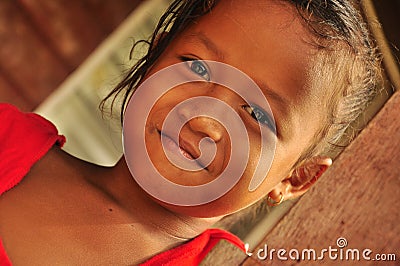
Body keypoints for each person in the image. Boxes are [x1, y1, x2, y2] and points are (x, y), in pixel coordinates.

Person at [0, 0, 382, 265]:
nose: (204, 119)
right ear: (157, 54)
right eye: (197, 68)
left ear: (296, 178)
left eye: (256, 114)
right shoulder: (6, 137)